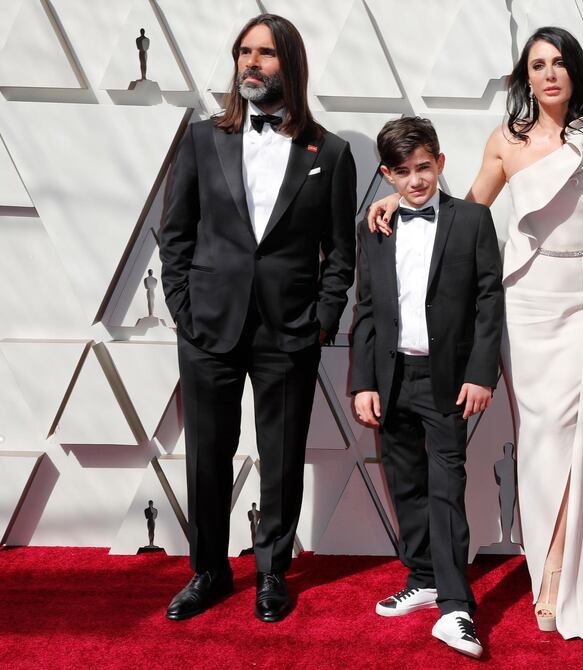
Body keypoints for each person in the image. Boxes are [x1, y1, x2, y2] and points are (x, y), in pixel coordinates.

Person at [368, 27, 583, 641]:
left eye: (558, 63)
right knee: (544, 444)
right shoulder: (505, 142)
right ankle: (548, 576)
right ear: (525, 77)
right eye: (536, 65)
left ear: (574, 71)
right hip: (526, 304)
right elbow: (462, 214)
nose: (548, 74)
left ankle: (574, 580)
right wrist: (404, 204)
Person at [159, 13, 356, 623]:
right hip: (209, 325)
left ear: (289, 64)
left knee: (281, 454)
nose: (251, 62)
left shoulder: (334, 152)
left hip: (288, 328)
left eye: (265, 53)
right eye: (244, 51)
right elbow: (175, 234)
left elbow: (340, 254)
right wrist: (184, 310)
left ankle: (272, 572)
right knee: (207, 454)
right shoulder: (199, 139)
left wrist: (321, 319)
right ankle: (209, 570)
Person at [351, 117, 503, 658]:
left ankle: (457, 607)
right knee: (405, 484)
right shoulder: (373, 226)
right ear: (387, 175)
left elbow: (489, 302)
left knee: (446, 490)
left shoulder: (473, 221)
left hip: (446, 383)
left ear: (440, 163)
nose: (416, 181)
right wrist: (362, 381)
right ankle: (423, 578)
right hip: (391, 379)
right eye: (403, 172)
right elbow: (366, 308)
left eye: (424, 168)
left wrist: (481, 373)